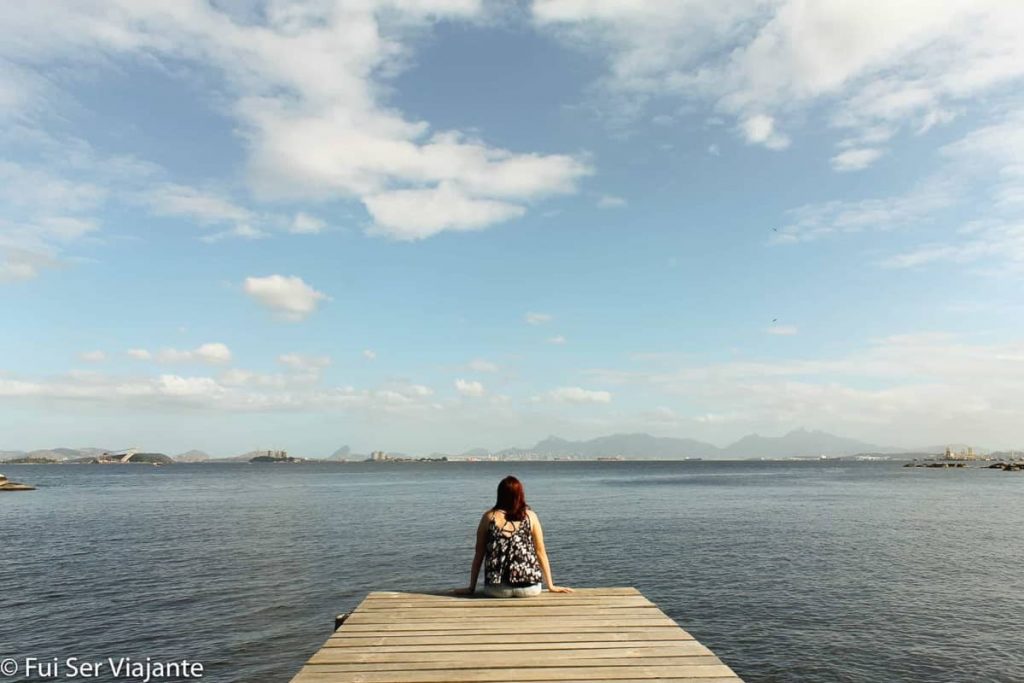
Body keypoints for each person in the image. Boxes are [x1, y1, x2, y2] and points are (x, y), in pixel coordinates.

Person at [455, 475, 573, 597]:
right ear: (520, 495)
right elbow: (540, 552)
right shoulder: (530, 517)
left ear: (499, 494)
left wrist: (471, 587)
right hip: (530, 588)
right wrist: (551, 585)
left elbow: (479, 554)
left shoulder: (489, 518)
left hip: (497, 589)